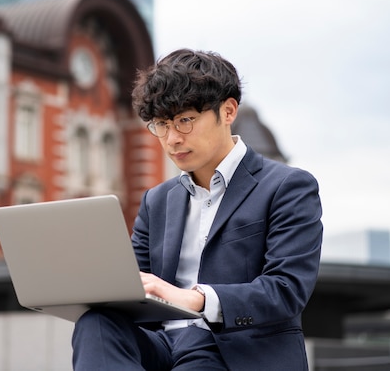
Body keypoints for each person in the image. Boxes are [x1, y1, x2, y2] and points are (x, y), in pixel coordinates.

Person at [71, 48, 323, 371]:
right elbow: (135, 287)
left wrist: (195, 299)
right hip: (163, 344)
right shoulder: (156, 202)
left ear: (228, 111)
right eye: (161, 125)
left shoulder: (287, 187)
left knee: (198, 353)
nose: (172, 139)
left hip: (232, 347)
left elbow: (286, 290)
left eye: (185, 121)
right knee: (96, 324)